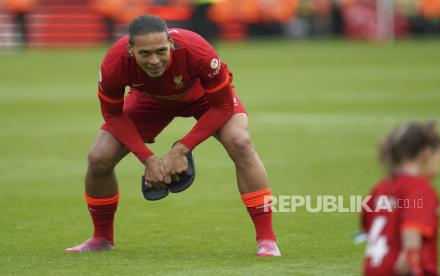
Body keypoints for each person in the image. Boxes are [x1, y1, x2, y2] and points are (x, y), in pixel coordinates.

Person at [64, 14, 280, 256]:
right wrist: (148, 159)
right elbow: (113, 116)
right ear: (130, 49)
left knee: (240, 141)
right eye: (144, 53)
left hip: (203, 98)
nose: (154, 60)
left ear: (170, 43)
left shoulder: (196, 49)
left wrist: (182, 149)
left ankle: (267, 240)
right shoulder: (115, 62)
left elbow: (222, 107)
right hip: (149, 101)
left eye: (161, 51)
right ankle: (102, 239)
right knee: (99, 157)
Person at [362, 121, 440, 275]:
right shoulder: (419, 188)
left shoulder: (381, 188)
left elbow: (368, 225)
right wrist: (410, 253)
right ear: (427, 154)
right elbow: (412, 225)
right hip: (402, 270)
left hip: (374, 269)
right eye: (439, 159)